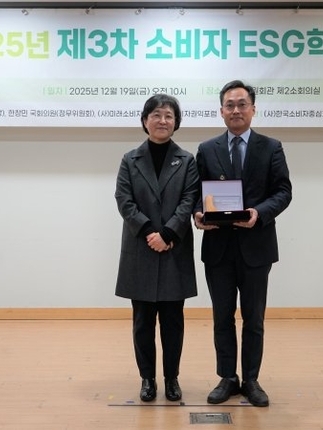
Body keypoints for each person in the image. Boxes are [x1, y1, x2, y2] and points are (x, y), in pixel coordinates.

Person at [193, 80, 292, 407]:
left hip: (256, 247)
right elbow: (196, 193)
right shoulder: (207, 149)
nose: (236, 110)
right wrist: (198, 214)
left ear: (253, 109)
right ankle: (227, 377)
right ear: (221, 111)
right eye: (230, 105)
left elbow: (283, 191)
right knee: (222, 317)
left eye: (242, 104)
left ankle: (251, 379)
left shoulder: (271, 147)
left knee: (254, 318)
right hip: (218, 249)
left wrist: (258, 213)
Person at [114, 94, 200, 403]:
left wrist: (168, 233)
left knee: (173, 321)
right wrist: (151, 232)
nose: (162, 120)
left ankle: (172, 378)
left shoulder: (187, 160)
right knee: (143, 322)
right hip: (141, 248)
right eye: (156, 115)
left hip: (174, 248)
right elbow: (124, 201)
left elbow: (189, 200)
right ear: (145, 120)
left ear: (176, 122)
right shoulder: (130, 159)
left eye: (168, 115)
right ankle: (147, 379)